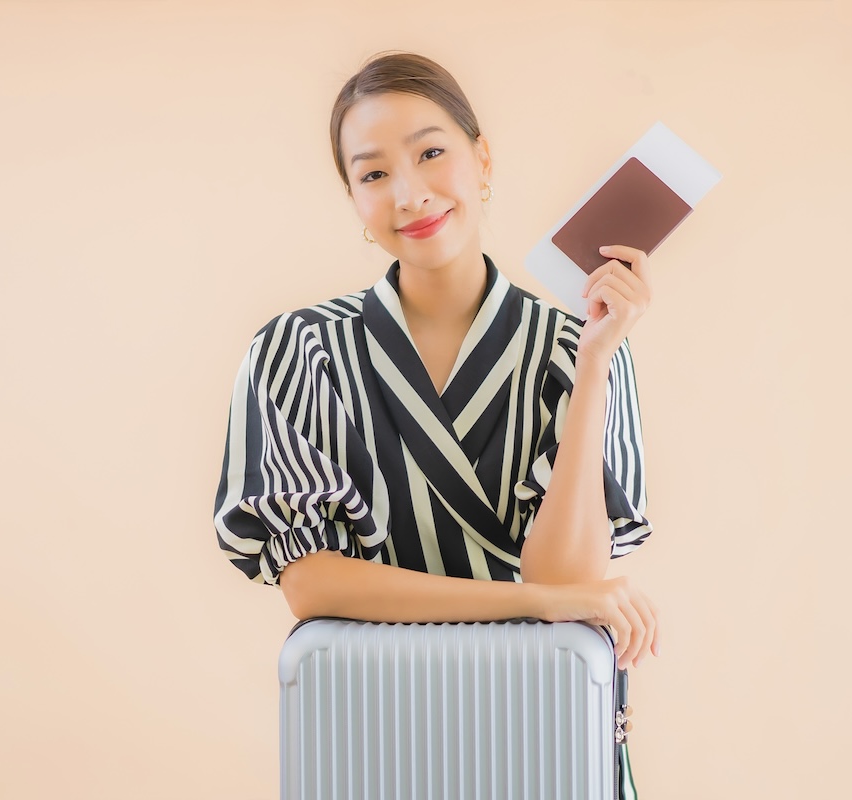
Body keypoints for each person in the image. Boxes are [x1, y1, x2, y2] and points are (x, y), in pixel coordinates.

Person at [212, 50, 660, 795]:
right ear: (353, 198)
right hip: (373, 742)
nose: (410, 194)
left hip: (543, 736)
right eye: (375, 173)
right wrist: (537, 604)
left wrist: (594, 362)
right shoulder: (298, 353)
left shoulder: (572, 350)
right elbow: (312, 584)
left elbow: (570, 575)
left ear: (482, 159)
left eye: (430, 153)